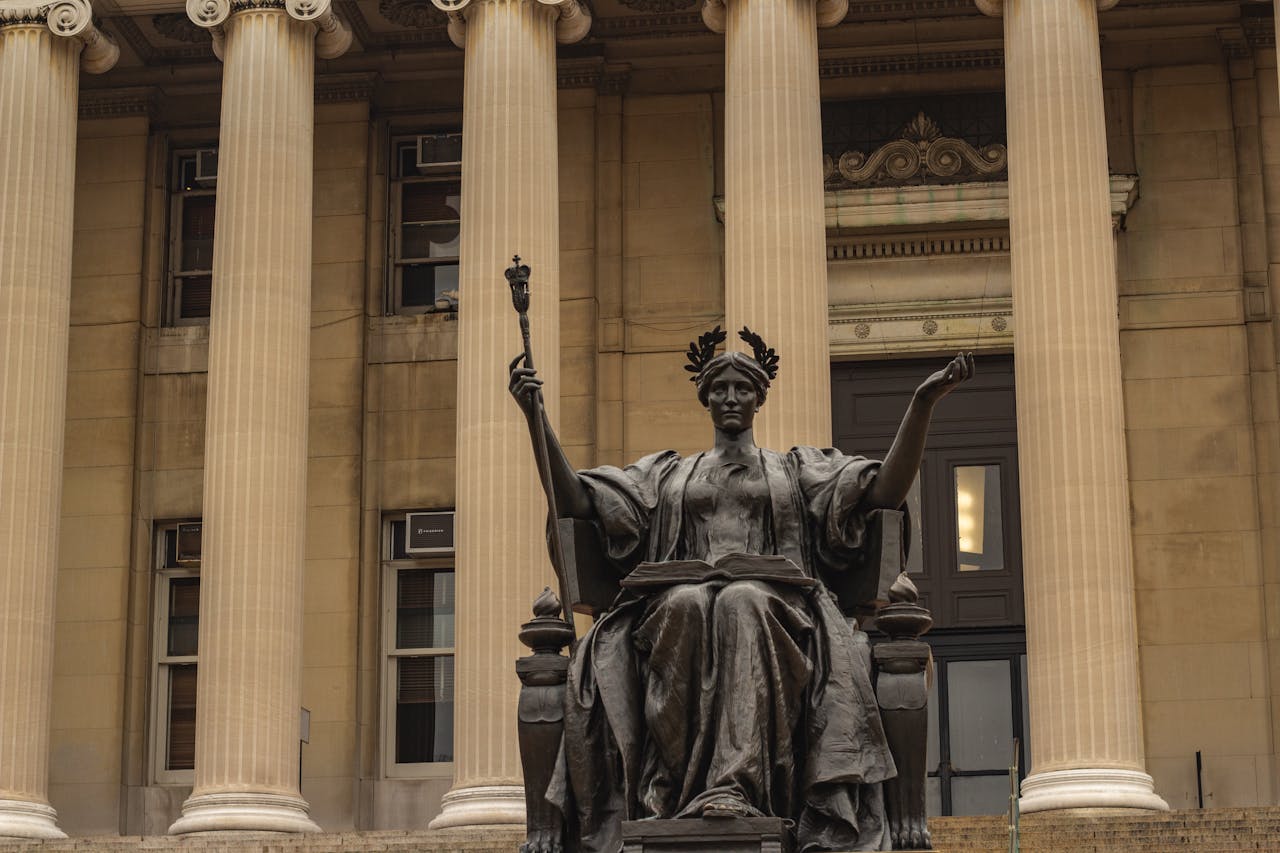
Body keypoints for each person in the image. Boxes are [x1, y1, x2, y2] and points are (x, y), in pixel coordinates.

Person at [508, 327, 973, 853]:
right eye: (721, 388)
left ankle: (734, 788)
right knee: (687, 603)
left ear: (760, 397)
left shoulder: (797, 470)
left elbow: (885, 487)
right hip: (675, 601)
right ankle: (668, 795)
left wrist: (922, 405)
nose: (731, 397)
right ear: (705, 397)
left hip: (782, 607)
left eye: (742, 388)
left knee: (741, 599)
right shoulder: (668, 475)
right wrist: (535, 417)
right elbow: (577, 500)